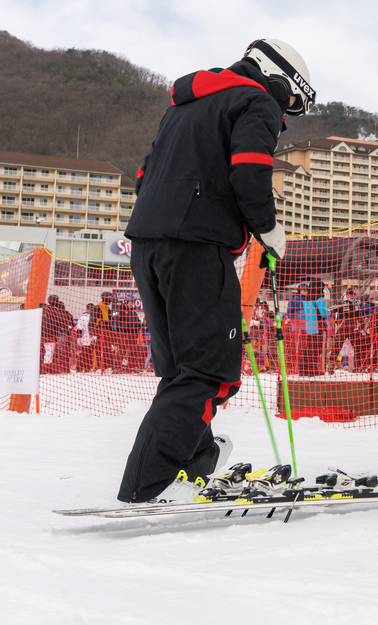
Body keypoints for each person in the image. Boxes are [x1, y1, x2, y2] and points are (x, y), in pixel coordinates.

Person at [118, 37, 315, 503]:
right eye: (291, 100)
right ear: (276, 77)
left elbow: (146, 174)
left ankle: (196, 458)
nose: (286, 115)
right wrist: (267, 228)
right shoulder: (255, 101)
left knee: (181, 369)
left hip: (148, 240)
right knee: (208, 371)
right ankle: (144, 488)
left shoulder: (183, 106)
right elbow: (249, 172)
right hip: (197, 243)